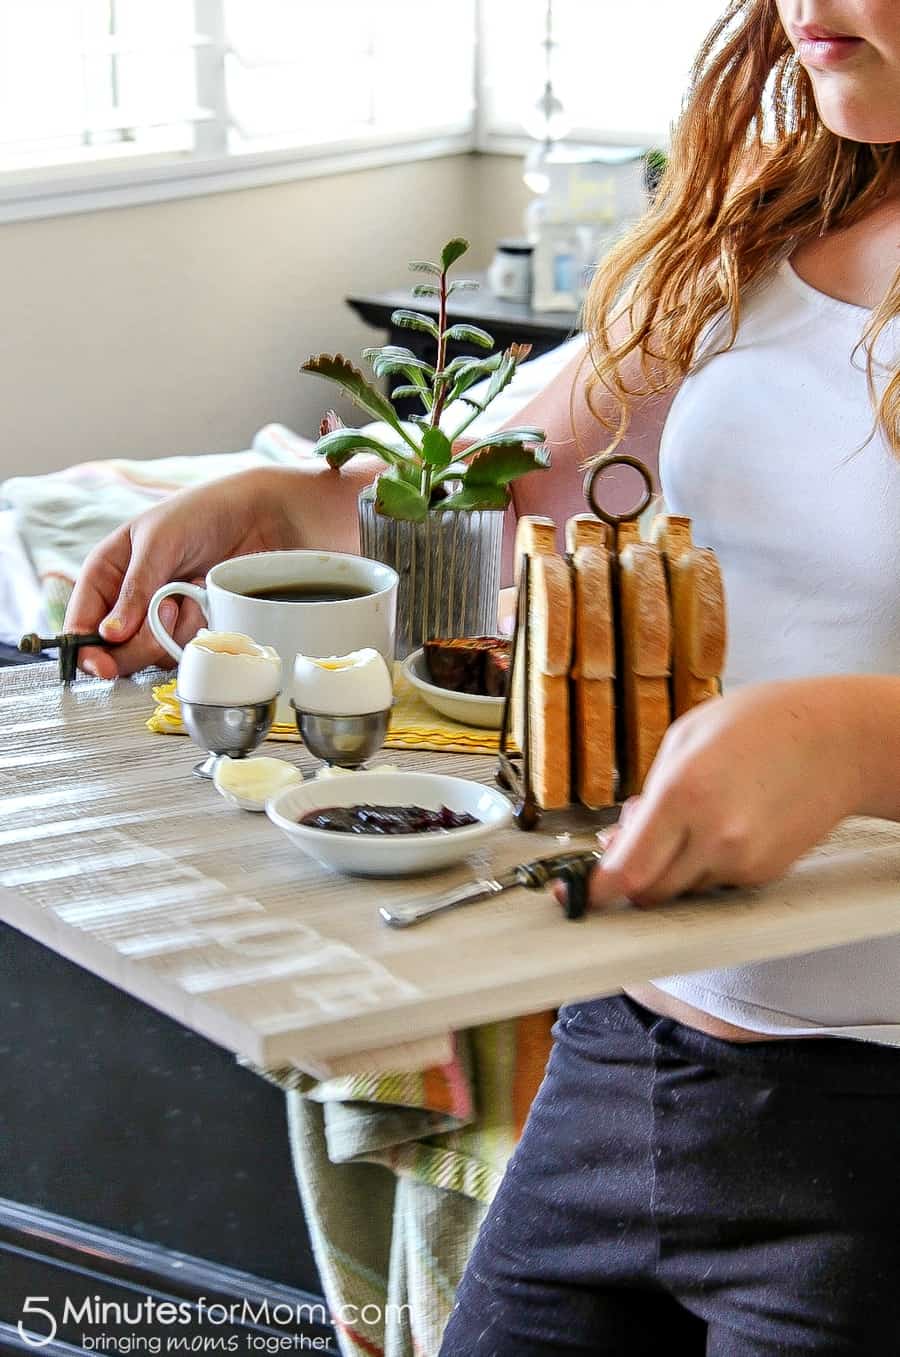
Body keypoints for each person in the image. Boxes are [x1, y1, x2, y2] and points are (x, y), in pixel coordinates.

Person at [66, 0, 899, 1348]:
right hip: (625, 1058)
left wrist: (862, 743)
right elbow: (498, 482)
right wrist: (282, 502)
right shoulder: (768, 221)